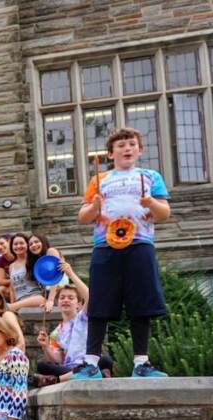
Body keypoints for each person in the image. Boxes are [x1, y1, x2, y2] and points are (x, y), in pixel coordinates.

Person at [76, 126, 171, 380]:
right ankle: (91, 363)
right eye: (121, 145)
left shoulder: (150, 176)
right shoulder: (100, 180)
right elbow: (83, 217)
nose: (126, 148)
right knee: (99, 303)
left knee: (141, 302)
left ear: (139, 150)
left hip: (139, 244)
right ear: (110, 153)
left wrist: (151, 203)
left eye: (131, 144)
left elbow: (164, 214)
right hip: (105, 247)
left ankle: (141, 362)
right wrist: (94, 206)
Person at [34, 262, 114, 385]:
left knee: (104, 360)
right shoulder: (57, 332)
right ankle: (91, 374)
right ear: (58, 303)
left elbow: (90, 296)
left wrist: (70, 273)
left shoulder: (83, 317)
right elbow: (59, 360)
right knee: (42, 365)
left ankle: (58, 380)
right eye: (62, 298)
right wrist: (45, 347)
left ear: (78, 303)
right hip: (68, 368)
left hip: (89, 363)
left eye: (71, 298)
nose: (66, 300)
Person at [2, 234, 47, 312]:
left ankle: (11, 307)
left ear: (27, 245)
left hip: (35, 298)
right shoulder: (11, 266)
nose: (18, 246)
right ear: (12, 247)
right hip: (19, 301)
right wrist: (13, 305)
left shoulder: (34, 261)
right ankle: (13, 307)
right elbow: (12, 289)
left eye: (21, 243)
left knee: (40, 299)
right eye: (15, 244)